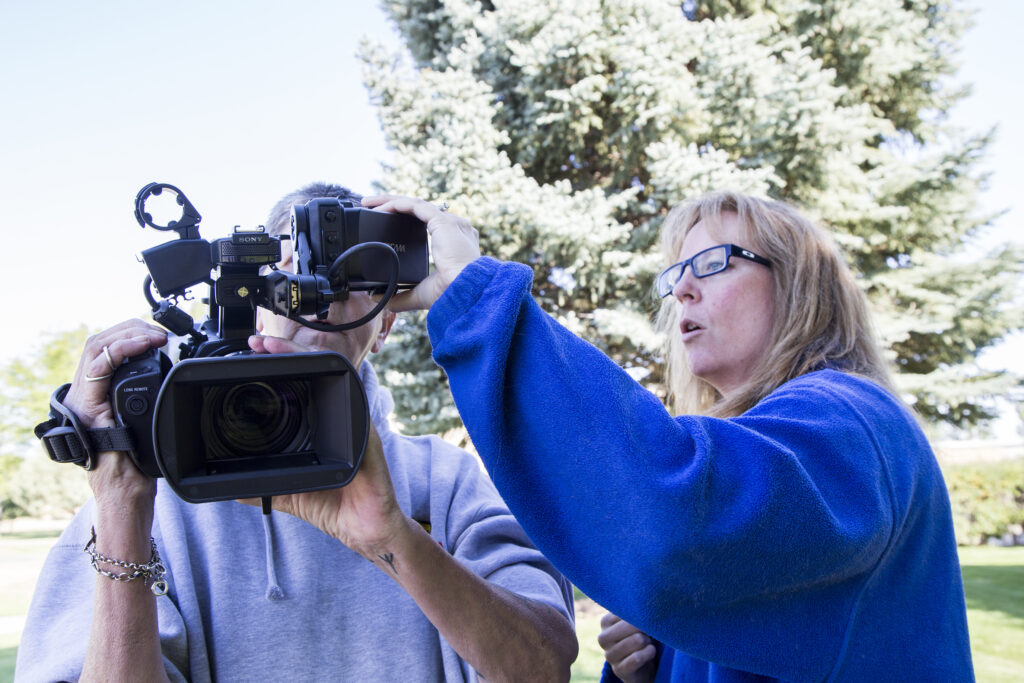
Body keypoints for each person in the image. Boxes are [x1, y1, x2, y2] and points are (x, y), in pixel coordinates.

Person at [364, 190, 975, 682]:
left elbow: (673, 522)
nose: (682, 286)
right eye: (677, 272)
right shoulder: (764, 439)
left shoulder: (852, 421)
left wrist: (471, 293)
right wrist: (649, 667)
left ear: (800, 287)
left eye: (714, 262)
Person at [16, 182, 577, 682]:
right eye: (292, 269)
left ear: (383, 324)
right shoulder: (150, 497)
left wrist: (395, 540)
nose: (322, 295)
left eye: (352, 274)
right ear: (252, 301)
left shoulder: (445, 480)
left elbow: (544, 668)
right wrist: (119, 504)